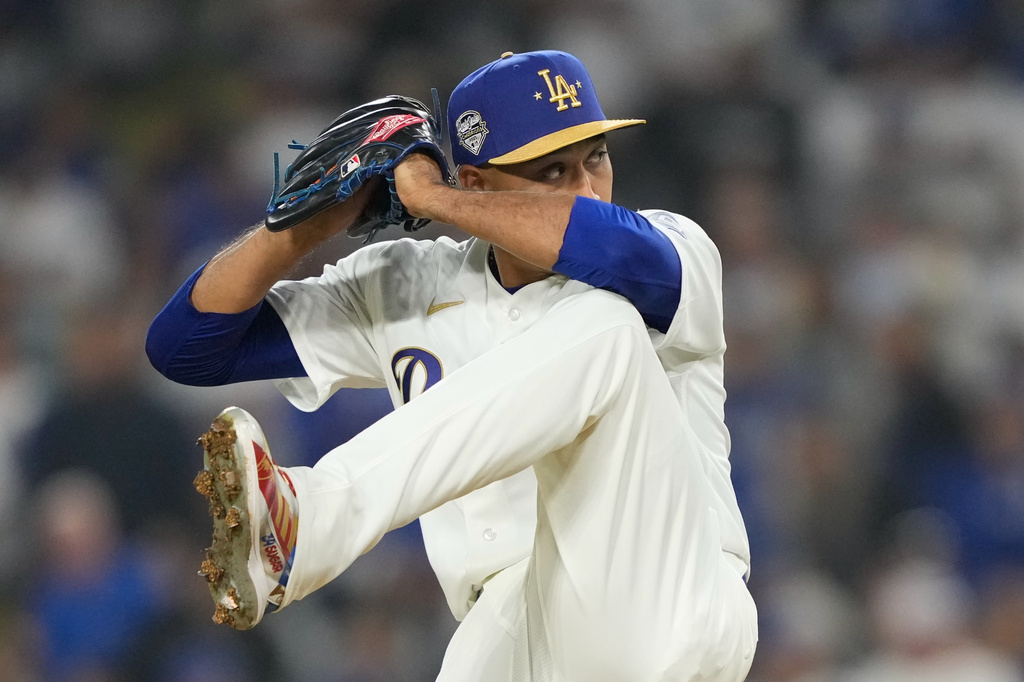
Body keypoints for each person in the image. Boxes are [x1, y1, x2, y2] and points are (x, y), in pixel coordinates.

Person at [148, 50, 757, 681]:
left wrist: (434, 198)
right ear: (476, 183)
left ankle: (316, 519)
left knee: (607, 327)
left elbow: (611, 246)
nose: (586, 187)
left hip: (662, 597)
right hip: (504, 633)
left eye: (595, 157)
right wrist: (303, 228)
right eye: (552, 170)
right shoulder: (408, 284)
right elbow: (186, 347)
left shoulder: (673, 250)